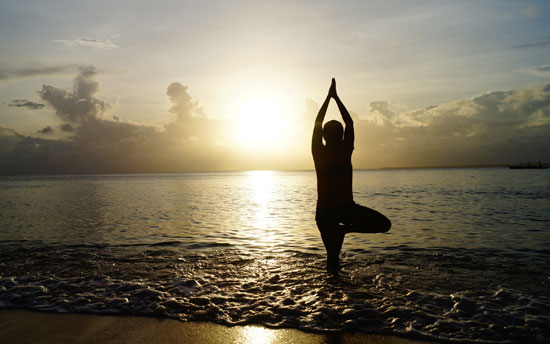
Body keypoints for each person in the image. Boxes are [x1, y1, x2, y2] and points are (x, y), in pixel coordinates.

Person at [312, 78, 391, 272]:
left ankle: (331, 293)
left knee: (332, 259)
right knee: (383, 225)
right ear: (338, 136)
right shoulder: (341, 149)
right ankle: (335, 294)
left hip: (333, 212)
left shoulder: (320, 151)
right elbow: (349, 122)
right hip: (337, 211)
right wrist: (335, 98)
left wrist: (329, 98)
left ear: (325, 136)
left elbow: (319, 122)